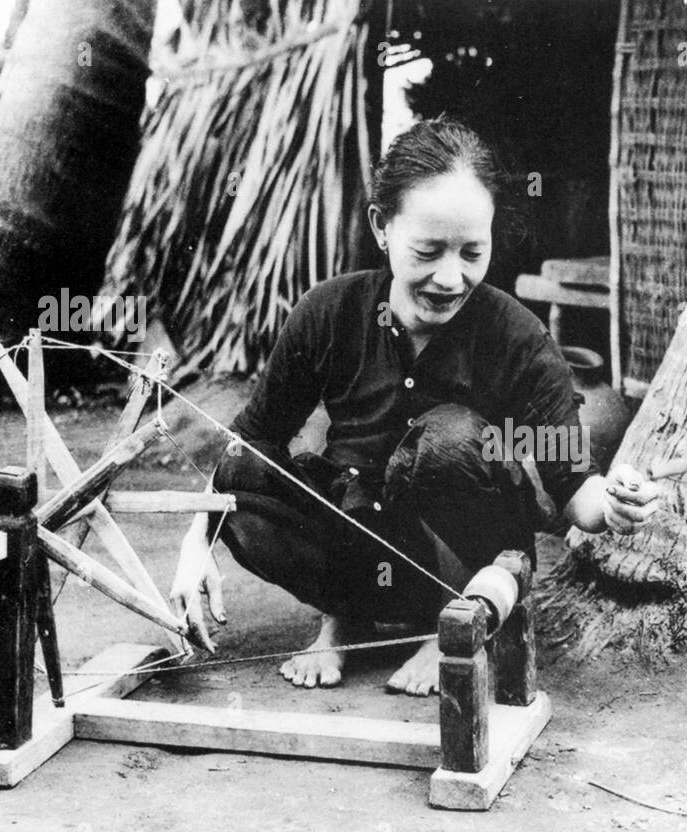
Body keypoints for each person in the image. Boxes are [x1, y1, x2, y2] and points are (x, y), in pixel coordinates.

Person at [168, 117, 661, 696]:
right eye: (428, 250)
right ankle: (343, 616)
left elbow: (576, 488)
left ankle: (449, 624)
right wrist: (195, 541)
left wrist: (617, 505)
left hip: (470, 559)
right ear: (382, 227)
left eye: (472, 252)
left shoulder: (520, 341)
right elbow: (251, 447)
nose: (451, 278)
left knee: (450, 439)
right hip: (355, 539)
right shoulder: (328, 314)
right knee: (245, 480)